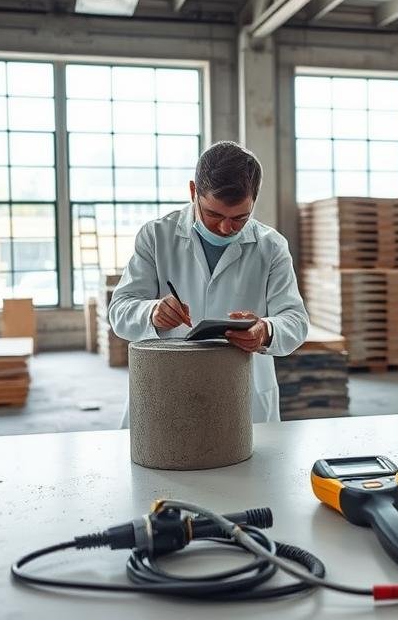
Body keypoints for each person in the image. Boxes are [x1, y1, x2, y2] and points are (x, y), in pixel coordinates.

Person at [109, 141, 309, 425]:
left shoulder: (271, 247)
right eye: (214, 214)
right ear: (193, 192)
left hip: (243, 395)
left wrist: (265, 330)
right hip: (168, 390)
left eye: (240, 218)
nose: (226, 228)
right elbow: (119, 311)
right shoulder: (156, 237)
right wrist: (152, 313)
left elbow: (296, 321)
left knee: (243, 466)